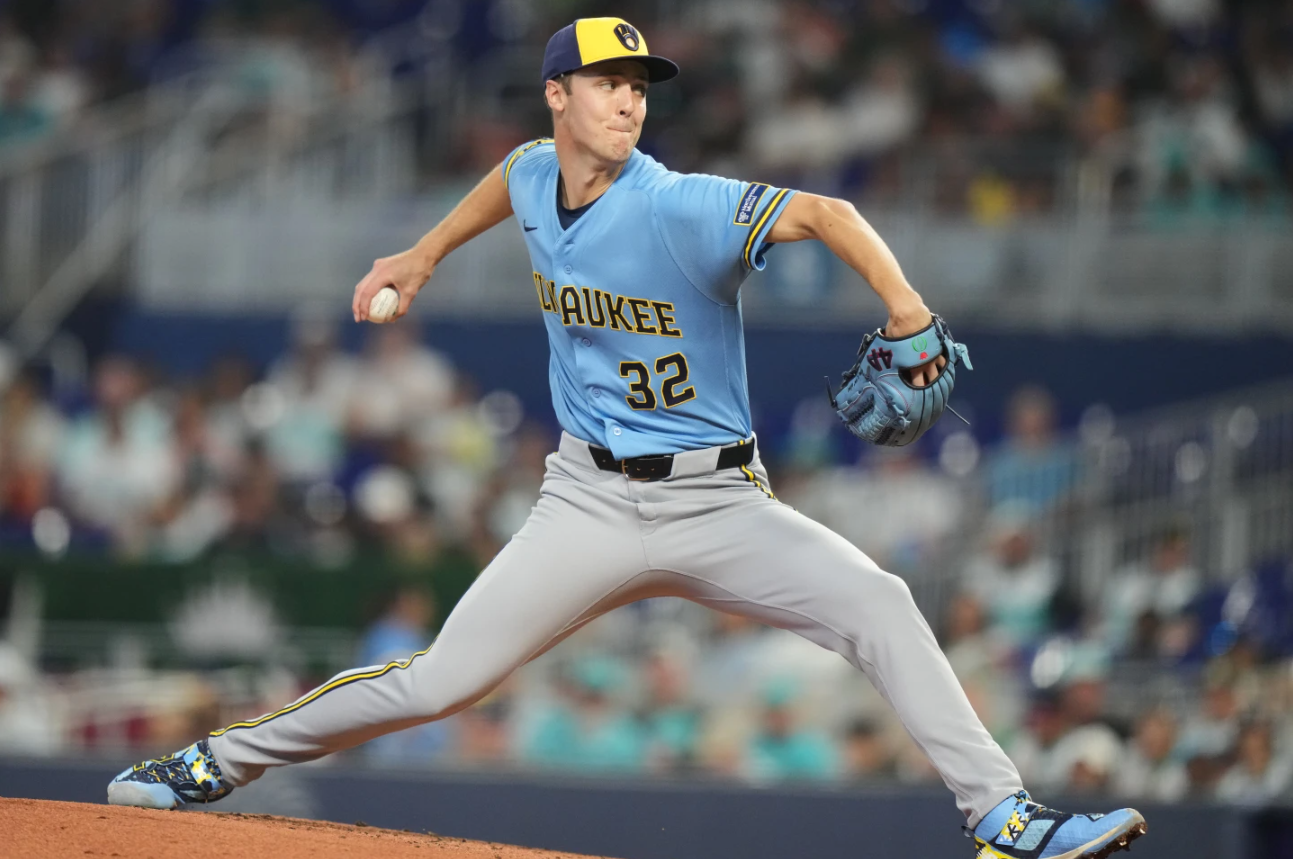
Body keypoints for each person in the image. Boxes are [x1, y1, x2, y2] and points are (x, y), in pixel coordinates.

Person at [108, 17, 1146, 859]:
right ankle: (211, 762)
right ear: (557, 94)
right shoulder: (528, 173)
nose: (627, 99)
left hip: (717, 502)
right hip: (588, 502)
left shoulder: (681, 207)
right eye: (606, 81)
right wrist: (421, 254)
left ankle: (1004, 819)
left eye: (639, 85)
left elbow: (829, 214)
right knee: (435, 682)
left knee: (880, 601)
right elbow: (512, 177)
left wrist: (909, 311)